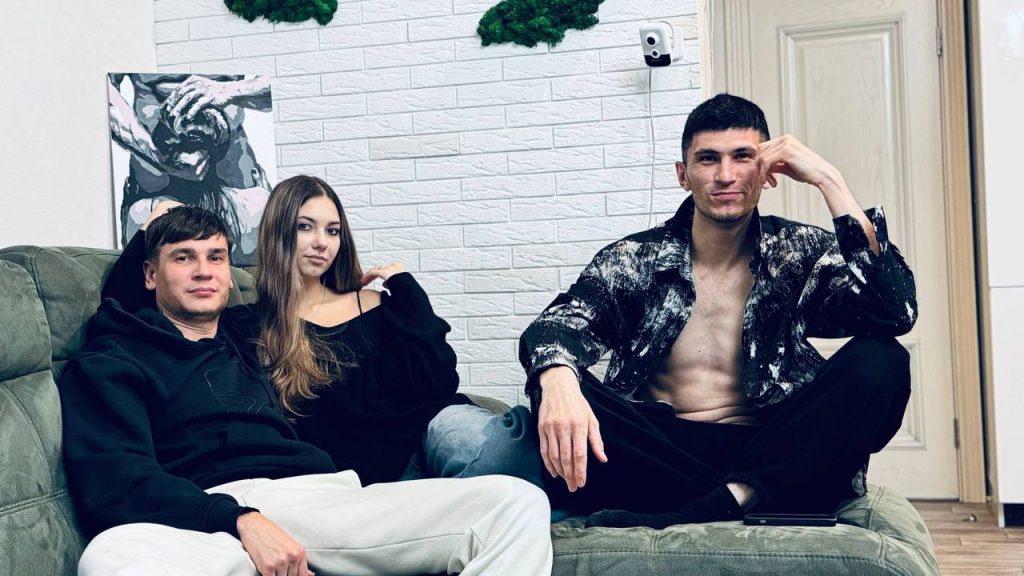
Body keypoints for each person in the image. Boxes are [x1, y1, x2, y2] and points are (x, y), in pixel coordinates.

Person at [424, 93, 917, 528]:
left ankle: (726, 499)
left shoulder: (798, 252)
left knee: (884, 358)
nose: (725, 175)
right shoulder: (634, 259)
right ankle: (744, 497)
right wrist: (557, 381)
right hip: (662, 453)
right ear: (684, 175)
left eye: (742, 157)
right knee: (565, 388)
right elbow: (558, 325)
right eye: (708, 159)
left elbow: (894, 311)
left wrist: (830, 181)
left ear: (769, 172)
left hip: (769, 447)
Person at [62, 205, 552, 576]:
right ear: (150, 274)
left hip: (316, 499)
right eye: (183, 258)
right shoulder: (113, 357)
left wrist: (401, 288)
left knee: (514, 502)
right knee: (109, 557)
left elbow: (423, 375)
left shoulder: (248, 334)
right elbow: (115, 478)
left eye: (216, 257)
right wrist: (241, 520)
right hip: (207, 513)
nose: (203, 271)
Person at [106, 175, 473, 485]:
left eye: (333, 231)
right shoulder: (245, 325)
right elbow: (129, 307)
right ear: (278, 232)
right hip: (342, 487)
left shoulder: (380, 306)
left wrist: (406, 288)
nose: (321, 242)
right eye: (305, 227)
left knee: (477, 438)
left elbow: (439, 382)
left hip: (421, 453)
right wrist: (151, 226)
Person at [108, 73, 273, 263]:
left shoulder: (256, 206)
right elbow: (103, 92)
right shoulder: (141, 212)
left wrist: (229, 89)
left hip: (234, 179)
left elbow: (278, 85)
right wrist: (157, 156)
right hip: (153, 180)